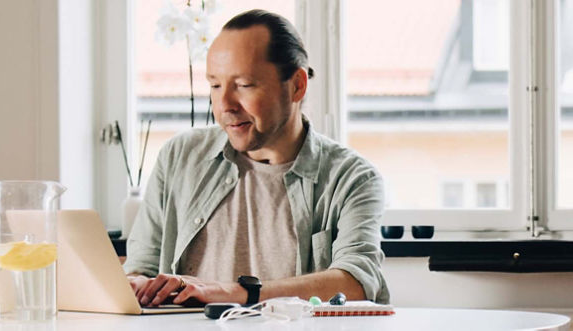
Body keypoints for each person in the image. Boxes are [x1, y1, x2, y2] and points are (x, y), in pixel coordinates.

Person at [123, 9, 388, 308]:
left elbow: (356, 282)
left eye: (244, 85)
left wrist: (234, 293)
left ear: (297, 85)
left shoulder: (352, 178)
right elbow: (141, 267)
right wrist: (137, 284)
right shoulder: (179, 157)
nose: (224, 105)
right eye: (215, 85)